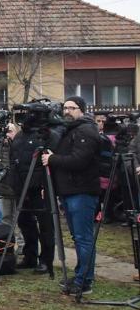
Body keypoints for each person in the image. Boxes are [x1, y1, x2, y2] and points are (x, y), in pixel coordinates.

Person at [42, 96, 100, 296]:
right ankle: (80, 276)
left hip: (82, 192)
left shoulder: (86, 131)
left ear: (82, 110)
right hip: (69, 191)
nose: (67, 111)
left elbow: (79, 161)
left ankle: (85, 281)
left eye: (72, 108)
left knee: (83, 238)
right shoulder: (70, 130)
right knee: (78, 237)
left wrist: (52, 158)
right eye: (65, 108)